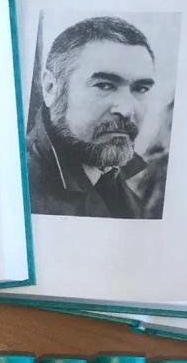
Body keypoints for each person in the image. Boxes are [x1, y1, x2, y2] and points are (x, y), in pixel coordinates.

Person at [26, 16, 162, 219]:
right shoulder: (22, 188)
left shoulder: (127, 187)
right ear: (50, 87)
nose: (127, 110)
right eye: (104, 85)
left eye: (140, 88)